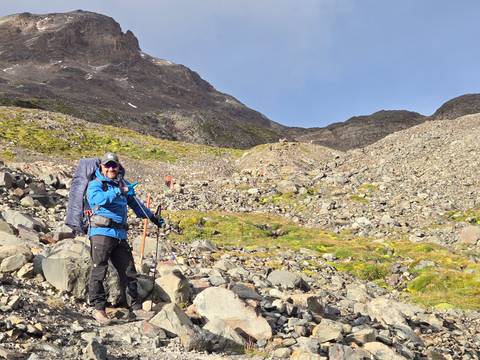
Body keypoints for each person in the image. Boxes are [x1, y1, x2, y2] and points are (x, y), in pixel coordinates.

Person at [87, 152, 163, 325]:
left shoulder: (124, 184)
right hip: (101, 233)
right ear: (102, 167)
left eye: (114, 165)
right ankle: (98, 309)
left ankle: (135, 308)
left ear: (119, 167)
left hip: (120, 235)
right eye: (108, 165)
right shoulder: (96, 184)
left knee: (129, 271)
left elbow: (137, 205)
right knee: (99, 270)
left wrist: (153, 218)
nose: (111, 168)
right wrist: (119, 191)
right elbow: (96, 200)